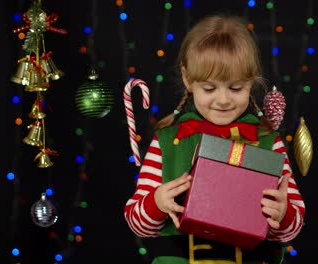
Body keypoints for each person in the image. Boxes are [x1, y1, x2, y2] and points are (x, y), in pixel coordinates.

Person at [124, 14, 305, 264]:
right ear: (188, 80)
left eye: (236, 88)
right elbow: (137, 224)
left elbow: (292, 229)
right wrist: (157, 202)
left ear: (251, 81)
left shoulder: (268, 141)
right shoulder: (168, 141)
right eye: (209, 88)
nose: (223, 100)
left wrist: (283, 214)